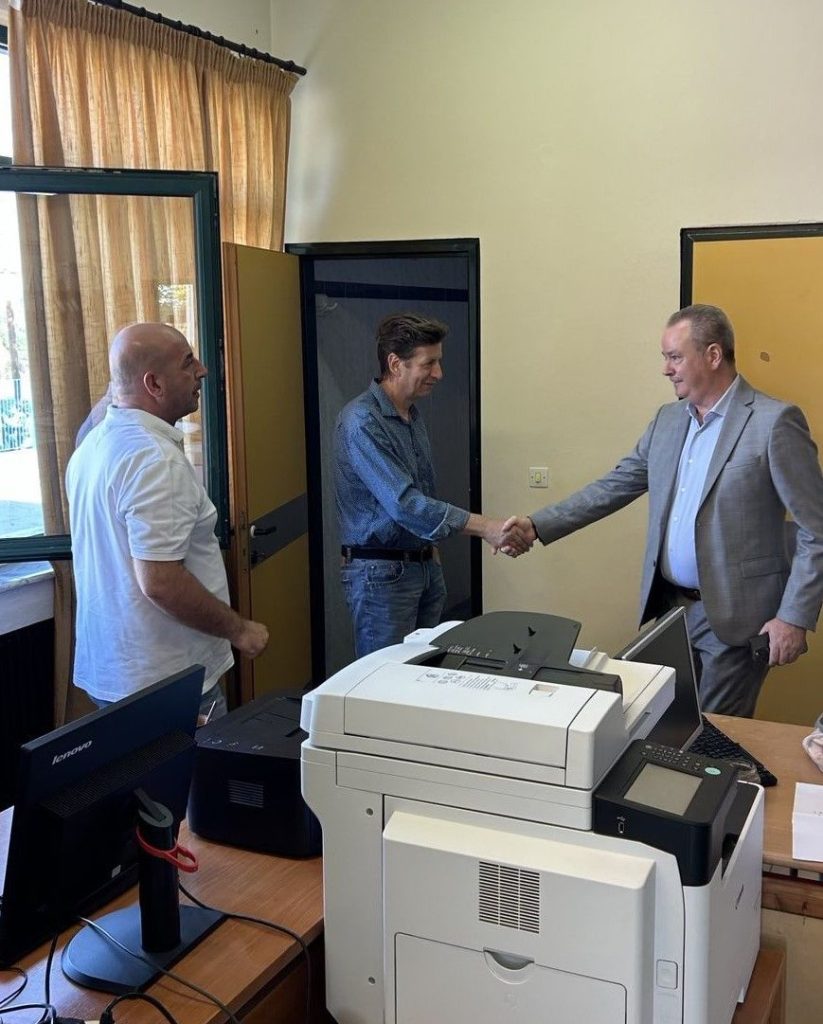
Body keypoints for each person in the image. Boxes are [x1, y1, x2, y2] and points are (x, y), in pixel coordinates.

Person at [504, 304, 823, 717]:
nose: (665, 369)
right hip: (672, 609)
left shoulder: (773, 422)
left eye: (675, 357)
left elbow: (816, 529)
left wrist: (793, 617)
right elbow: (614, 485)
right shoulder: (667, 421)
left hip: (737, 618)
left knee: (712, 732)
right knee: (649, 719)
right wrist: (536, 525)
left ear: (713, 355)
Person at [66, 322, 269, 718]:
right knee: (196, 764)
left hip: (118, 674)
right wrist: (239, 630)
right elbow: (160, 581)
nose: (203, 371)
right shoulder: (154, 460)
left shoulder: (93, 445)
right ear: (154, 384)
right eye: (188, 362)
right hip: (167, 682)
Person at [335, 312, 530, 657]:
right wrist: (487, 527)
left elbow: (421, 495)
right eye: (429, 363)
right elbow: (405, 504)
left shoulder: (411, 415)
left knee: (426, 671)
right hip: (383, 577)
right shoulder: (362, 421)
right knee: (388, 679)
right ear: (395, 364)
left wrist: (431, 553)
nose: (438, 374)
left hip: (422, 566)